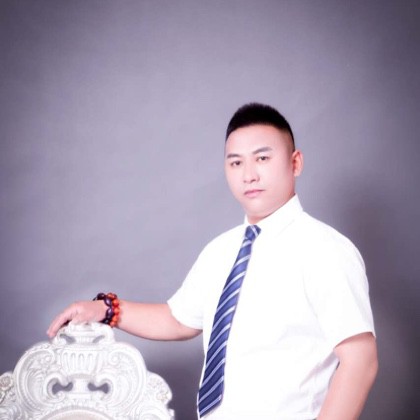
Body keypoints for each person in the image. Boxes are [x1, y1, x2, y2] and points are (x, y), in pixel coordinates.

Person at [48, 103, 378, 420]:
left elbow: (360, 361)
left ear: (295, 163)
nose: (249, 175)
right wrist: (106, 309)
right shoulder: (221, 251)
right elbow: (178, 320)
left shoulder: (325, 250)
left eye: (262, 158)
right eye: (236, 163)